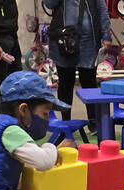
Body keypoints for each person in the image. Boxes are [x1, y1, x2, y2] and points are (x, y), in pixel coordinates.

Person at [44, 0, 111, 133]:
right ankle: (66, 122)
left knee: (89, 82)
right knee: (65, 82)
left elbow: (102, 11)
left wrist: (106, 35)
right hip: (62, 39)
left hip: (88, 41)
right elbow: (49, 4)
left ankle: (93, 123)